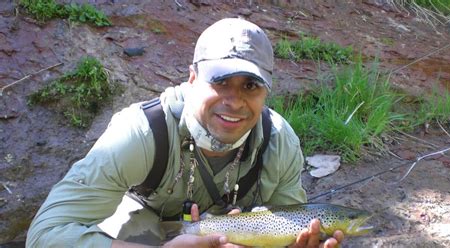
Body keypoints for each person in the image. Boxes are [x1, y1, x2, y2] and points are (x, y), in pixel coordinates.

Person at [26, 18, 344, 247]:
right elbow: (46, 233)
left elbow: (291, 223)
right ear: (192, 79)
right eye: (220, 82)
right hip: (148, 227)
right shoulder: (141, 132)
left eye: (250, 86)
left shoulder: (280, 141)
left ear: (266, 92)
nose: (234, 102)